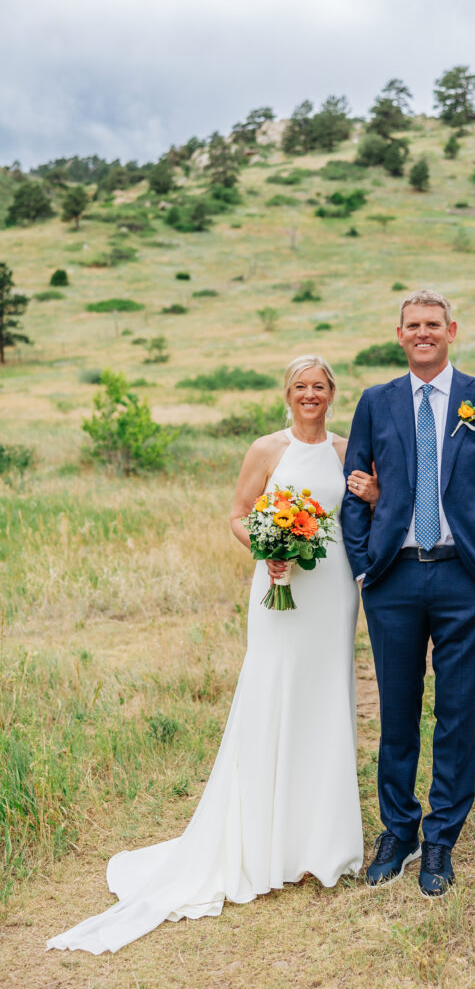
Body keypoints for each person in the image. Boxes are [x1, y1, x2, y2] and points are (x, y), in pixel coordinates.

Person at [47, 355, 378, 954]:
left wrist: (375, 493)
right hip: (279, 585)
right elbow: (236, 513)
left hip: (332, 588)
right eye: (300, 386)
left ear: (333, 394)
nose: (310, 394)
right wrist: (265, 543)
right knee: (272, 692)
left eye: (319, 387)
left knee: (326, 698)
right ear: (288, 392)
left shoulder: (345, 448)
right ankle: (263, 840)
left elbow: (363, 508)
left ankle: (322, 845)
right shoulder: (265, 449)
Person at [342, 289, 475, 897]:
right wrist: (364, 561)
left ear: (451, 330)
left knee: (456, 713)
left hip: (464, 578)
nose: (423, 333)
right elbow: (356, 488)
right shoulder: (376, 402)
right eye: (412, 326)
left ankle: (441, 840)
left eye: (433, 325)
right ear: (399, 335)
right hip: (393, 576)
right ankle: (398, 831)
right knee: (396, 712)